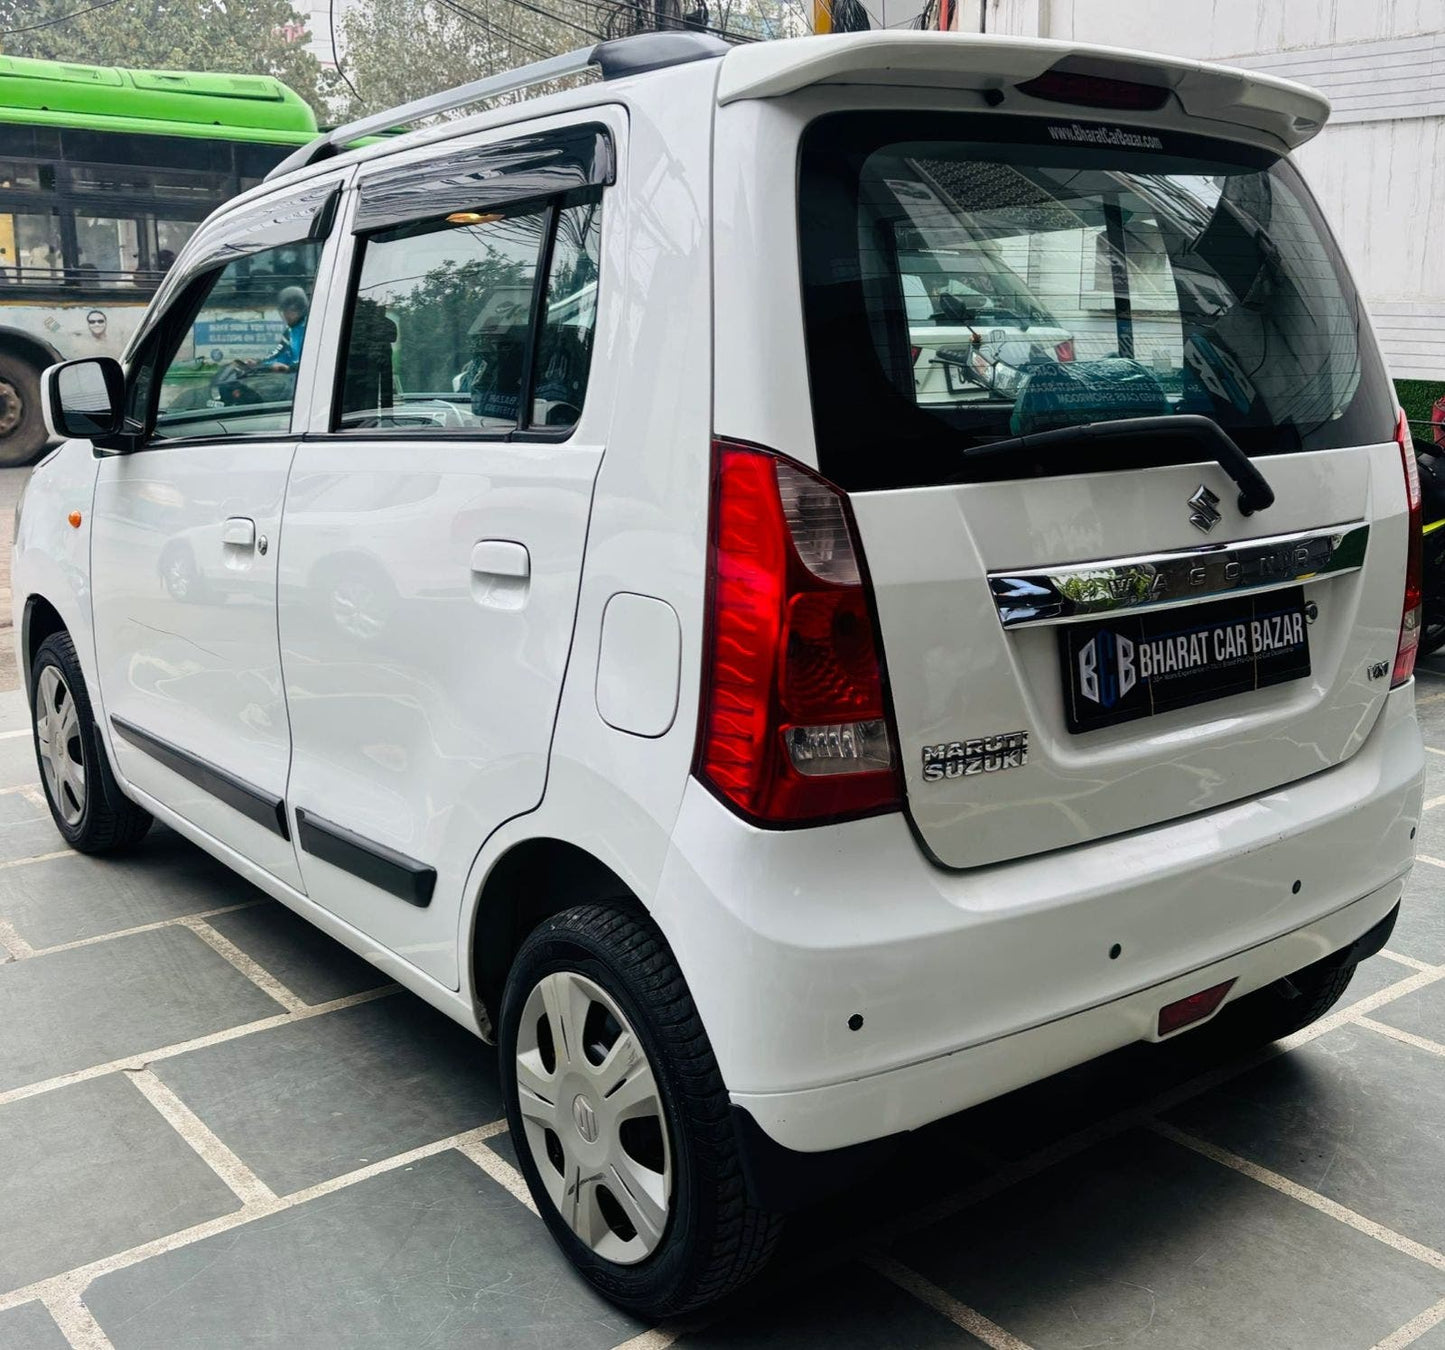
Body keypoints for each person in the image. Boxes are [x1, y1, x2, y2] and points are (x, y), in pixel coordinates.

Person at [246, 286, 309, 373]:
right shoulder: (290, 331)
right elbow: (279, 353)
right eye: (284, 311)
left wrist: (290, 369)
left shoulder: (310, 330)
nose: (286, 315)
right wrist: (259, 363)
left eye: (291, 311)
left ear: (302, 310)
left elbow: (314, 363)